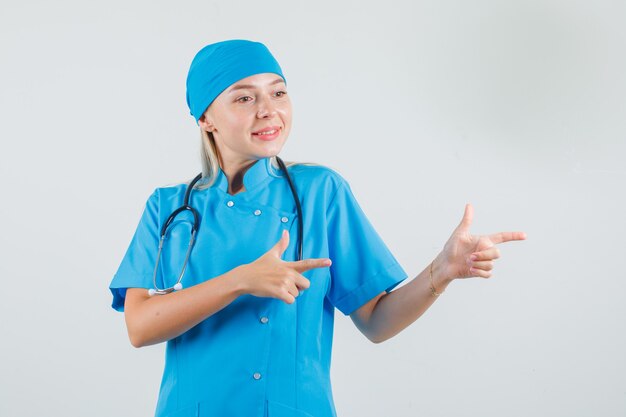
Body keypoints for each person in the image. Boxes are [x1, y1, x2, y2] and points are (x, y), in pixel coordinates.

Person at [109, 39, 526, 417]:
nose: (268, 109)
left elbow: (376, 322)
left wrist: (443, 271)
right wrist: (240, 281)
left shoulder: (320, 192)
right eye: (243, 98)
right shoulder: (168, 207)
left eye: (278, 92)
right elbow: (140, 326)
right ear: (206, 119)